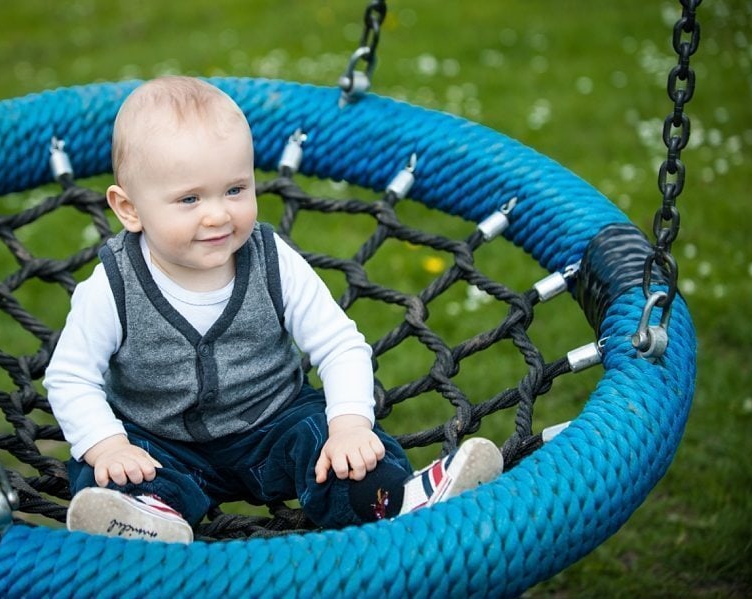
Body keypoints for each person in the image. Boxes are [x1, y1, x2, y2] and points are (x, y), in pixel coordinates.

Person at [44, 76, 503, 543]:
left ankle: (399, 500)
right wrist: (108, 443)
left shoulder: (271, 259)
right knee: (104, 469)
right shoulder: (112, 285)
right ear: (129, 209)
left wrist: (348, 425)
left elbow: (340, 344)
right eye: (189, 199)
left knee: (342, 449)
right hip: (159, 440)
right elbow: (71, 376)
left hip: (275, 424)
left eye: (236, 190)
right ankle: (144, 519)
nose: (218, 214)